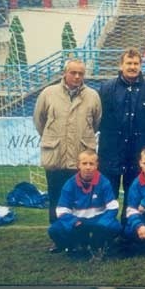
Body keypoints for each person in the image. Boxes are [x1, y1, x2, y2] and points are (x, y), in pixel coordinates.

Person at [33, 58, 102, 246]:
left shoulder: (93, 95)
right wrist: (54, 140)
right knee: (56, 197)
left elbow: (96, 123)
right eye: (73, 72)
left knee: (80, 200)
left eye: (81, 73)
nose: (77, 76)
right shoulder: (48, 93)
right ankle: (58, 238)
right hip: (55, 157)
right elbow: (39, 121)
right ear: (64, 73)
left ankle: (79, 237)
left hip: (79, 159)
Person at [98, 47, 145, 227]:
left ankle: (129, 231)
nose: (132, 67)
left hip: (137, 153)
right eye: (129, 63)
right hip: (111, 152)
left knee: (134, 195)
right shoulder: (107, 88)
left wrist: (142, 135)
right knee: (109, 195)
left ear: (141, 65)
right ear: (121, 65)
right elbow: (99, 118)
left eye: (136, 63)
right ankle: (107, 232)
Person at [47, 149, 121, 260]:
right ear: (78, 165)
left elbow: (113, 207)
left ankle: (99, 244)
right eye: (84, 163)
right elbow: (61, 210)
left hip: (98, 220)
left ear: (97, 165)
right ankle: (75, 245)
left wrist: (101, 224)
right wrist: (74, 222)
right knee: (54, 230)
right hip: (78, 221)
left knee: (116, 227)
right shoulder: (70, 184)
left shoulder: (104, 182)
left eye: (91, 164)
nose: (88, 167)